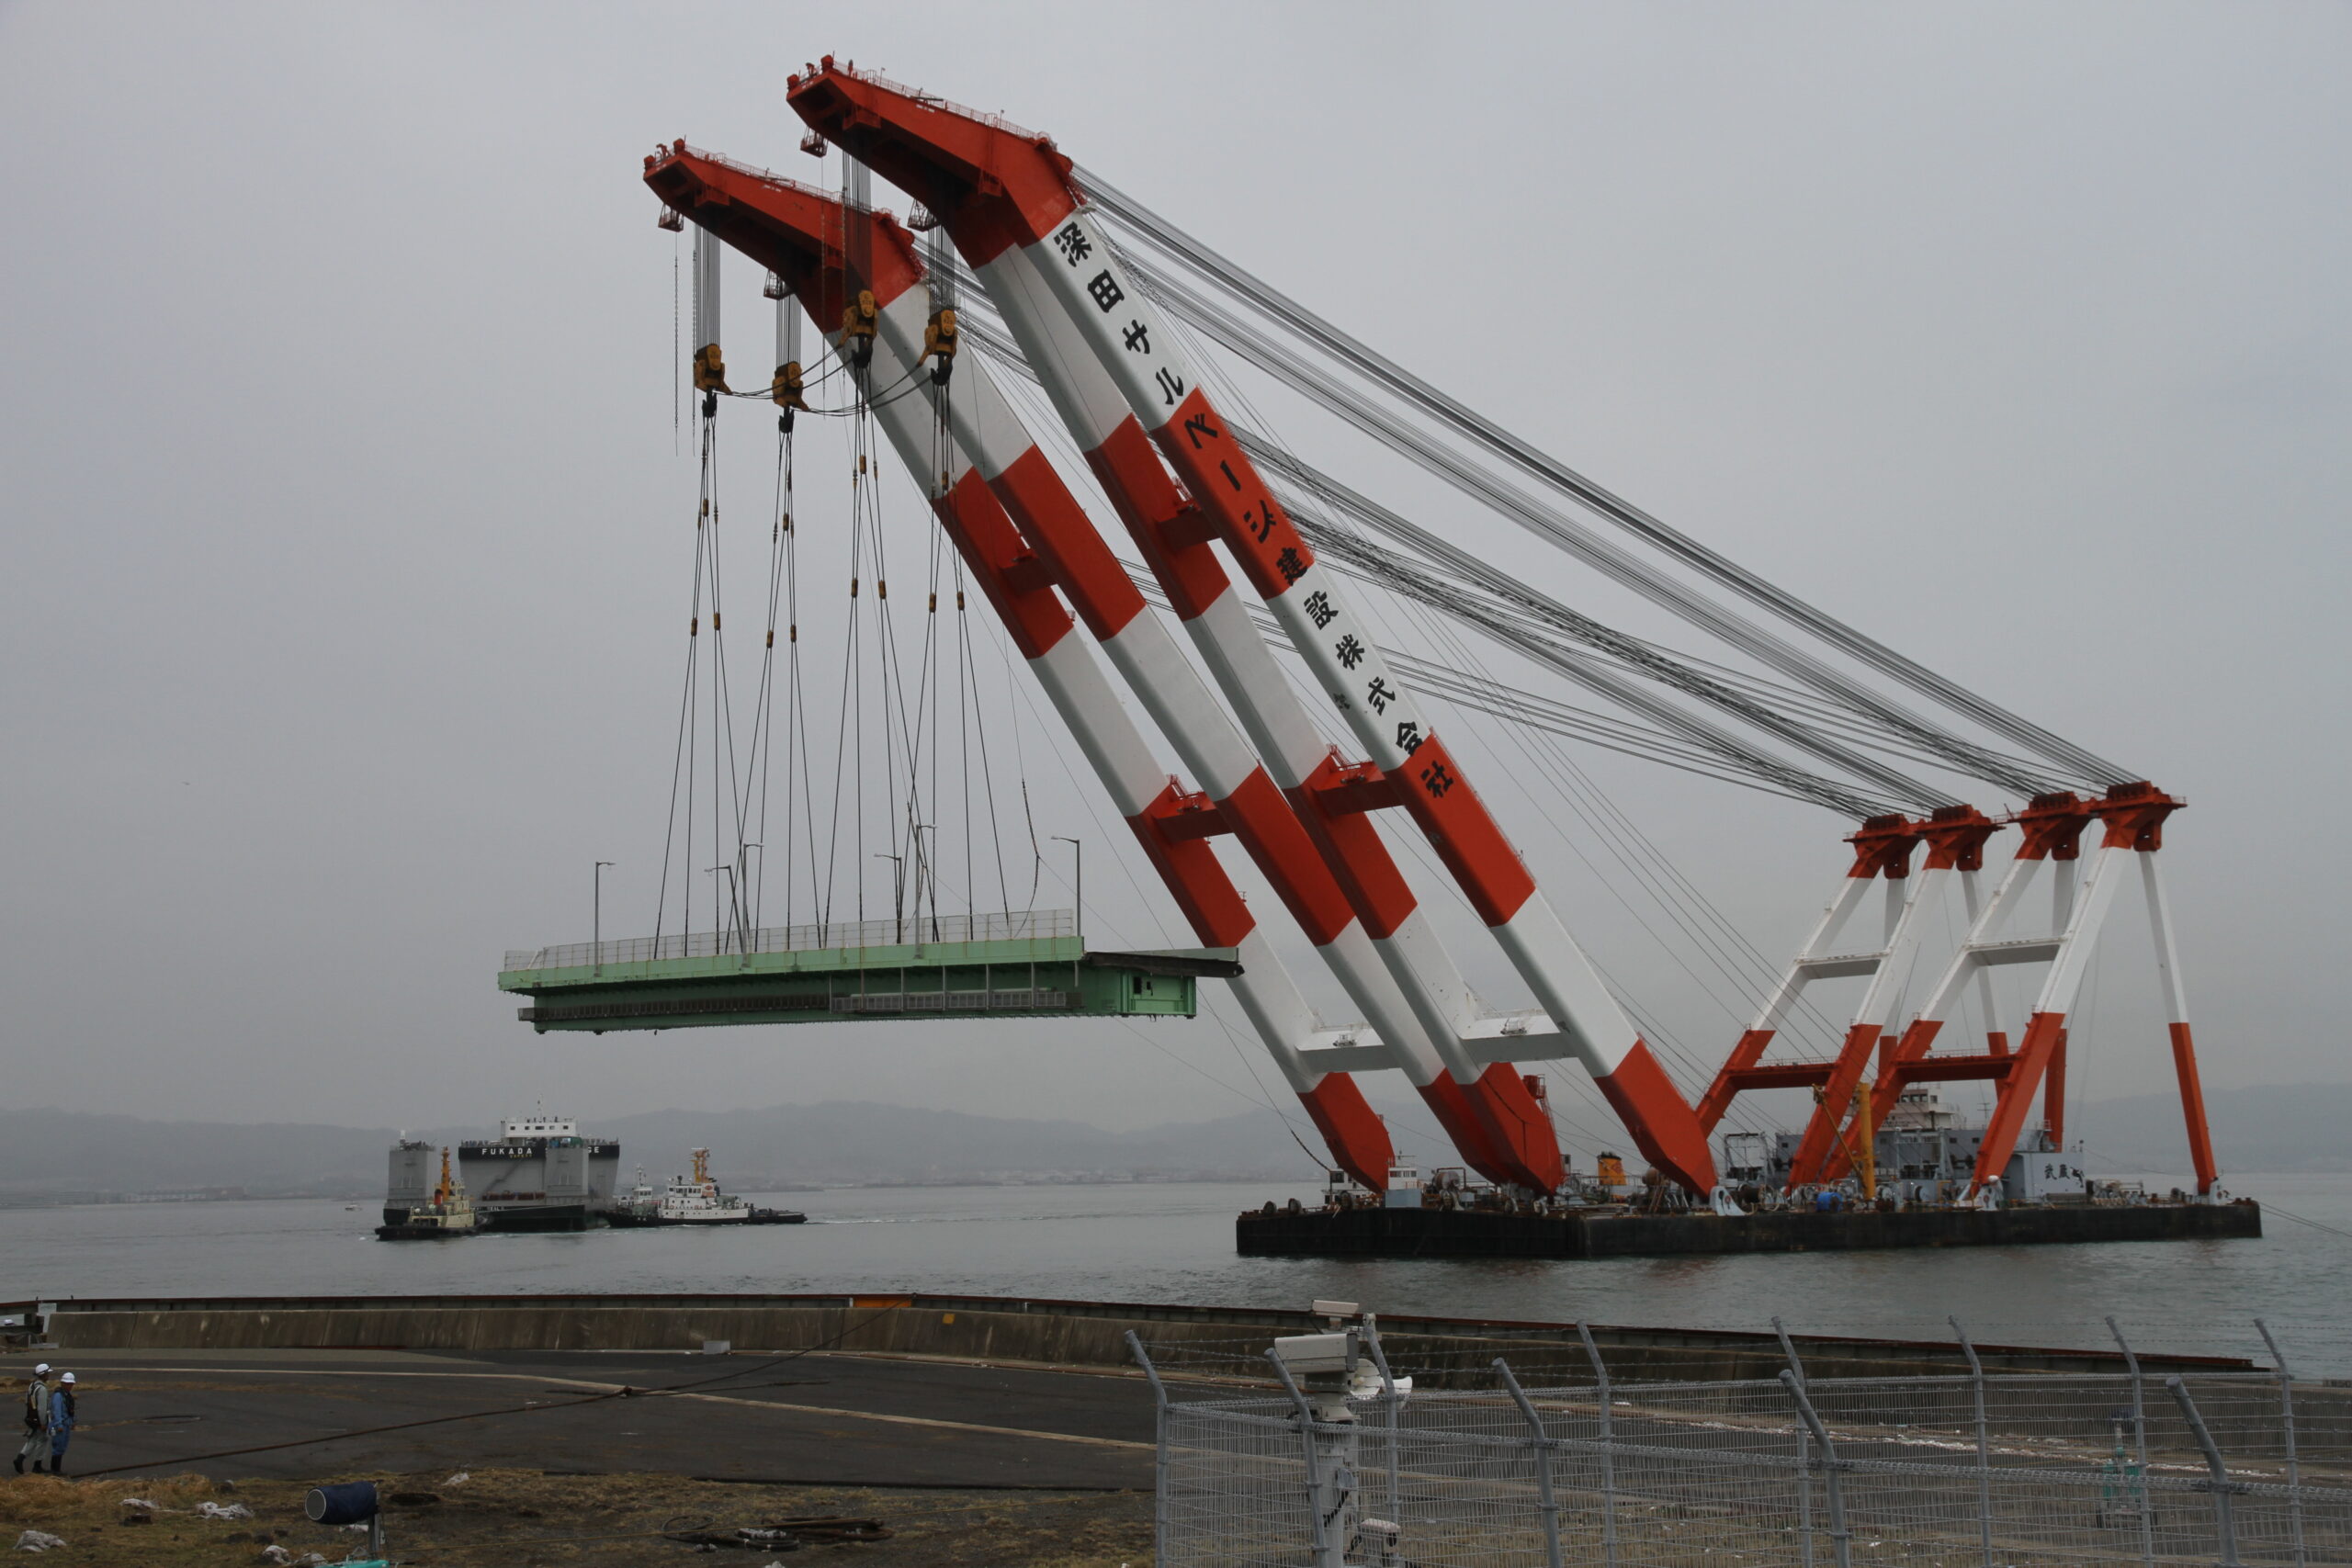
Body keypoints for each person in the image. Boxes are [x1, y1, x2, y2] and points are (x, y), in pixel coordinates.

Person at [13, 1364, 48, 1475]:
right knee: (42, 1440)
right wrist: (43, 1423)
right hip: (38, 1420)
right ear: (44, 1375)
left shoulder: (32, 1386)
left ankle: (20, 1458)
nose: (49, 1375)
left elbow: (27, 1402)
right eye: (47, 1373)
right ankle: (37, 1465)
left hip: (31, 1418)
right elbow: (42, 1408)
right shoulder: (42, 1389)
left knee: (32, 1440)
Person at [42, 1376, 74, 1478]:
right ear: (62, 1383)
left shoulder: (67, 1395)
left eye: (71, 1384)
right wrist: (59, 1425)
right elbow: (57, 1412)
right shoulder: (58, 1396)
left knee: (62, 1447)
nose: (70, 1386)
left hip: (66, 1424)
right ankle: (55, 1470)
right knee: (58, 1447)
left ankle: (56, 1469)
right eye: (68, 1384)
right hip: (59, 1426)